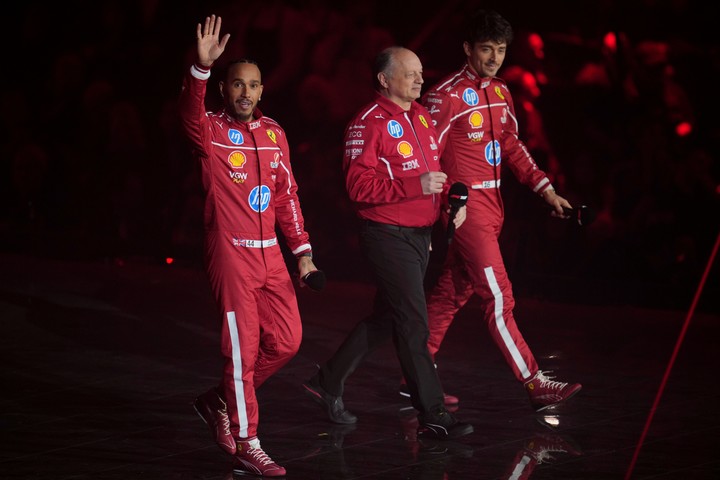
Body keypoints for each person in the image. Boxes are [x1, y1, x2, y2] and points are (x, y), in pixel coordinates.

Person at [413, 9, 582, 412]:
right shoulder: (445, 94)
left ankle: (413, 375)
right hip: (465, 210)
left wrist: (546, 190)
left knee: (452, 292)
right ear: (468, 48)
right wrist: (440, 209)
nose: (493, 58)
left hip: (494, 205)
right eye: (486, 49)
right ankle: (533, 381)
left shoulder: (502, 91)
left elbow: (512, 147)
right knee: (498, 296)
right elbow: (424, 156)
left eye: (501, 50)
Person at [302, 46, 473, 440]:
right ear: (384, 79)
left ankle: (326, 382)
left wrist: (448, 206)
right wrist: (417, 187)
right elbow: (358, 187)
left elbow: (434, 175)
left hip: (418, 235)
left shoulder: (422, 117)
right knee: (414, 322)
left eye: (420, 72)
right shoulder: (368, 123)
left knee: (388, 318)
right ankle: (432, 414)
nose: (419, 79)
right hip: (385, 235)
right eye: (409, 73)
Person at [179, 15, 320, 477]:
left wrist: (302, 255)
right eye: (237, 85)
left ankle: (218, 401)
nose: (246, 93)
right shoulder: (212, 131)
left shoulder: (275, 134)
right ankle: (246, 439)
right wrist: (200, 70)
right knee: (242, 350)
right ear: (225, 89)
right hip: (230, 252)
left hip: (271, 257)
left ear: (262, 91)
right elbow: (188, 114)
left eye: (253, 86)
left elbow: (286, 197)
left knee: (287, 342)